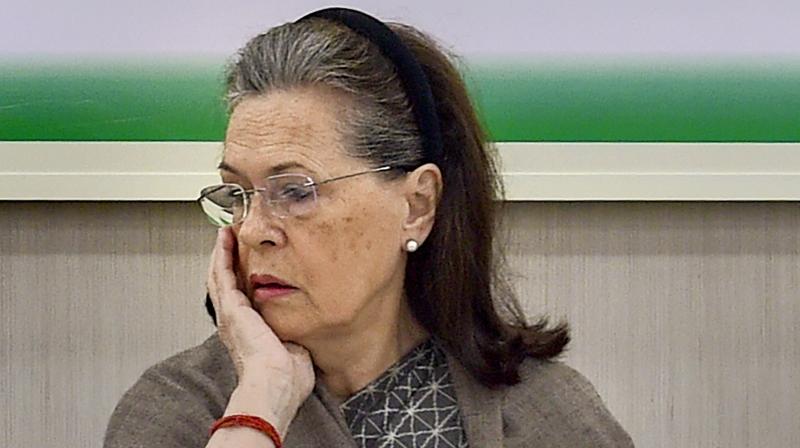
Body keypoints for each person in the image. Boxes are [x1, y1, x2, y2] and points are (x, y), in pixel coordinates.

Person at [104, 7, 634, 448]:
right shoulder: (181, 410)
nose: (253, 231)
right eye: (237, 194)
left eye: (295, 191)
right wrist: (261, 399)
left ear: (416, 206)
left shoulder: (542, 417)